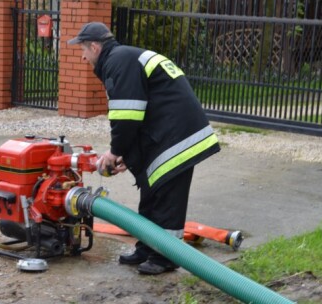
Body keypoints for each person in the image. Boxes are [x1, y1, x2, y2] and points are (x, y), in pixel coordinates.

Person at [68, 22, 220, 275]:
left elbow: (127, 115)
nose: (83, 56)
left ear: (95, 46)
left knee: (167, 196)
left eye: (84, 49)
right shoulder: (123, 58)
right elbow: (142, 110)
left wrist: (115, 152)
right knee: (151, 191)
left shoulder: (118, 61)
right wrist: (130, 154)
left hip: (177, 136)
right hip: (168, 131)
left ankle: (167, 256)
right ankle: (147, 247)